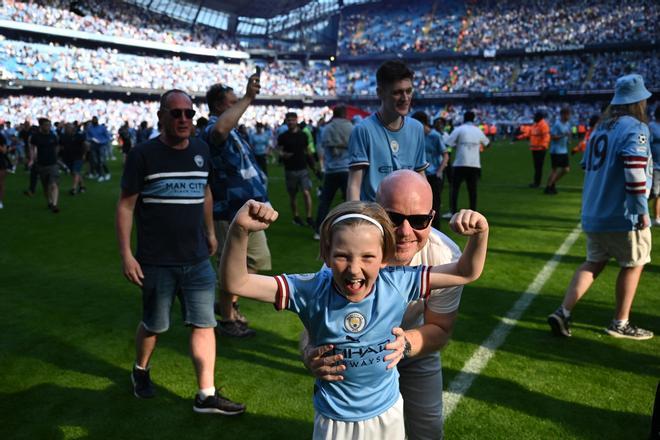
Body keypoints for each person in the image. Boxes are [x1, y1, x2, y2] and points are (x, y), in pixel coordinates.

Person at [219, 198, 488, 440]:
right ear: (325, 253)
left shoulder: (398, 283)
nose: (354, 268)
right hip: (334, 421)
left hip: (388, 414)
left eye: (368, 257)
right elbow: (236, 282)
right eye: (342, 256)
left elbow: (466, 272)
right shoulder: (310, 290)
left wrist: (480, 233)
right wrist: (240, 230)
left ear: (385, 257)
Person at [305, 169, 465, 439]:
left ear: (431, 218)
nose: (405, 231)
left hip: (415, 349)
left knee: (428, 429)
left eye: (418, 220)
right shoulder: (351, 252)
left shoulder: (445, 255)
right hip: (354, 353)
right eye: (393, 217)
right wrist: (310, 355)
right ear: (376, 213)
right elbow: (315, 328)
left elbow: (440, 329)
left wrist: (403, 344)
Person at [116, 89, 245, 414]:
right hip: (156, 260)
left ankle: (206, 394)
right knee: (154, 325)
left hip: (197, 258)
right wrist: (126, 254)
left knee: (204, 324)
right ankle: (141, 370)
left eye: (188, 113)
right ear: (161, 116)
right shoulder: (143, 154)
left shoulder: (200, 149)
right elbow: (126, 206)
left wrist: (211, 232)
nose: (184, 119)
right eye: (176, 113)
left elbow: (205, 191)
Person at [547, 74, 654, 341]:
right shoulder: (636, 128)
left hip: (594, 210)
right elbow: (634, 171)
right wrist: (641, 210)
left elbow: (586, 165)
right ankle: (620, 322)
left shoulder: (601, 128)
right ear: (638, 101)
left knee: (594, 261)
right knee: (634, 263)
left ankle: (564, 310)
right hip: (622, 213)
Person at [204, 75, 269, 338]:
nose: (238, 107)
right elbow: (219, 131)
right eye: (233, 103)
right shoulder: (212, 128)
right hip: (229, 210)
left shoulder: (232, 130)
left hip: (246, 208)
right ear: (219, 106)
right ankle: (228, 318)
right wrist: (248, 97)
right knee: (233, 262)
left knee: (257, 259)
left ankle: (227, 302)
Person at [347, 60, 428, 202]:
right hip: (375, 215)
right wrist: (355, 219)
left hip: (407, 215)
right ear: (380, 93)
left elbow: (420, 174)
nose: (405, 98)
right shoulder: (363, 130)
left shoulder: (417, 128)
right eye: (397, 92)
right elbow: (354, 185)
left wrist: (426, 208)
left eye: (408, 91)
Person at [314, 105, 353, 239]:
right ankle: (351, 228)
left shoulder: (327, 129)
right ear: (344, 114)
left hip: (331, 169)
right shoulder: (351, 128)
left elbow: (322, 147)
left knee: (325, 201)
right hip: (346, 168)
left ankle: (319, 230)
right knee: (349, 200)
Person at [445, 111, 490, 217]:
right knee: (472, 191)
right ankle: (473, 213)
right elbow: (488, 144)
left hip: (460, 163)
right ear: (473, 119)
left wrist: (459, 145)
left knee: (455, 189)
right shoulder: (478, 130)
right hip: (474, 165)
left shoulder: (459, 129)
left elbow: (448, 143)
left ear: (464, 118)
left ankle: (452, 212)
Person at [277, 112, 315, 227]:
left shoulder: (303, 135)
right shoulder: (283, 136)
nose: (291, 122)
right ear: (286, 121)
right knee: (293, 195)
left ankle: (309, 217)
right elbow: (279, 150)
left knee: (306, 192)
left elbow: (307, 150)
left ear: (296, 121)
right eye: (289, 120)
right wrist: (283, 155)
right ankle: (296, 216)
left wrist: (313, 165)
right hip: (290, 169)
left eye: (293, 120)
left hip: (302, 168)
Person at [412, 111, 448, 228]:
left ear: (422, 123)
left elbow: (446, 155)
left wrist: (439, 171)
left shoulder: (435, 136)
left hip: (433, 176)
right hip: (420, 177)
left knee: (435, 206)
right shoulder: (416, 136)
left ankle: (436, 233)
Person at [29, 118, 61, 213]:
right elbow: (32, 147)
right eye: (46, 125)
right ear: (41, 126)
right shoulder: (36, 137)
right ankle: (50, 202)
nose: (48, 127)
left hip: (52, 164)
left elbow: (56, 147)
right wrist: (32, 159)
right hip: (41, 164)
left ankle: (55, 204)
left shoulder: (53, 136)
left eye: (49, 125)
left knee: (54, 184)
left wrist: (56, 157)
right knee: (45, 186)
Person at [518, 111, 550, 188]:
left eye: (535, 117)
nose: (534, 118)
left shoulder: (543, 125)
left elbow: (546, 136)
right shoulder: (535, 125)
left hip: (540, 149)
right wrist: (519, 137)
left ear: (539, 118)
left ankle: (537, 183)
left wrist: (544, 145)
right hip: (534, 148)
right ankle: (536, 182)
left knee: (538, 167)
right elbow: (529, 134)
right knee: (537, 167)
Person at [544, 107, 572, 194]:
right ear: (563, 115)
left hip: (564, 150)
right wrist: (563, 135)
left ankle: (551, 184)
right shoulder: (557, 124)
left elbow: (568, 134)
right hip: (556, 150)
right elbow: (552, 137)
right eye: (567, 114)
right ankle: (548, 188)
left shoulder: (567, 124)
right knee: (555, 170)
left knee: (566, 169)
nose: (569, 116)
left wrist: (568, 139)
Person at [59, 122, 87, 195]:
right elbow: (61, 146)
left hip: (78, 156)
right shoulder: (64, 136)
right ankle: (82, 186)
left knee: (75, 171)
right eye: (66, 128)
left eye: (68, 128)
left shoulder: (79, 136)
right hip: (68, 157)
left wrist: (84, 154)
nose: (67, 129)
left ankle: (73, 188)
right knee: (75, 172)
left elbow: (85, 145)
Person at [86, 116, 112, 182]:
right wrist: (92, 139)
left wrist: (101, 142)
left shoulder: (102, 128)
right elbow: (88, 137)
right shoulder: (90, 128)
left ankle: (107, 173)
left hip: (101, 146)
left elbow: (107, 137)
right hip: (93, 146)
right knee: (95, 161)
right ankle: (100, 174)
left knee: (102, 161)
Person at [648, 106, 660, 226]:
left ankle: (657, 218)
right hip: (655, 165)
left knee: (658, 193)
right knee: (654, 192)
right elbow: (647, 145)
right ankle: (632, 209)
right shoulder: (651, 127)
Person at [0, 133, 8, 209]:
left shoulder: (1, 136)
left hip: (0, 162)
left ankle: (0, 201)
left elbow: (4, 151)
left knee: (1, 183)